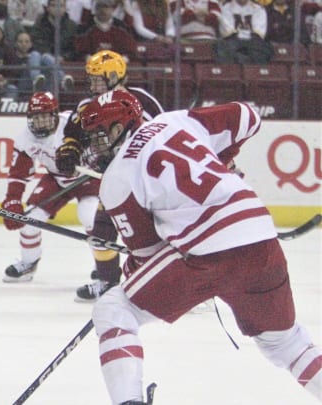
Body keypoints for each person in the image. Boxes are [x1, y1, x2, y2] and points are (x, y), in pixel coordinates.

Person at [61, 89, 322, 404]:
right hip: (259, 236)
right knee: (287, 343)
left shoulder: (116, 179)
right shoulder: (176, 120)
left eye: (99, 135)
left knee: (114, 309)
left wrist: (130, 268)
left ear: (120, 127)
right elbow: (248, 116)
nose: (94, 146)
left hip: (203, 255)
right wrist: (215, 158)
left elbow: (148, 255)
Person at [58, 49, 164, 301]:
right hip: (116, 180)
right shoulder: (87, 106)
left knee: (161, 231)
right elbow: (73, 135)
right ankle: (107, 280)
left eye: (98, 78)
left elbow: (163, 129)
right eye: (91, 79)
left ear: (115, 76)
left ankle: (174, 283)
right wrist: (69, 152)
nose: (92, 84)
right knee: (102, 230)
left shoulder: (141, 99)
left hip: (149, 178)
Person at [1, 92, 119, 301]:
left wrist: (103, 158)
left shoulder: (72, 125)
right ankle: (29, 263)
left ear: (55, 115)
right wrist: (12, 200)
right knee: (30, 220)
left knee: (90, 217)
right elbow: (18, 174)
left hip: (86, 178)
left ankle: (103, 267)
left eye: (45, 116)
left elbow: (101, 142)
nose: (41, 122)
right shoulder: (25, 139)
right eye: (36, 118)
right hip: (56, 180)